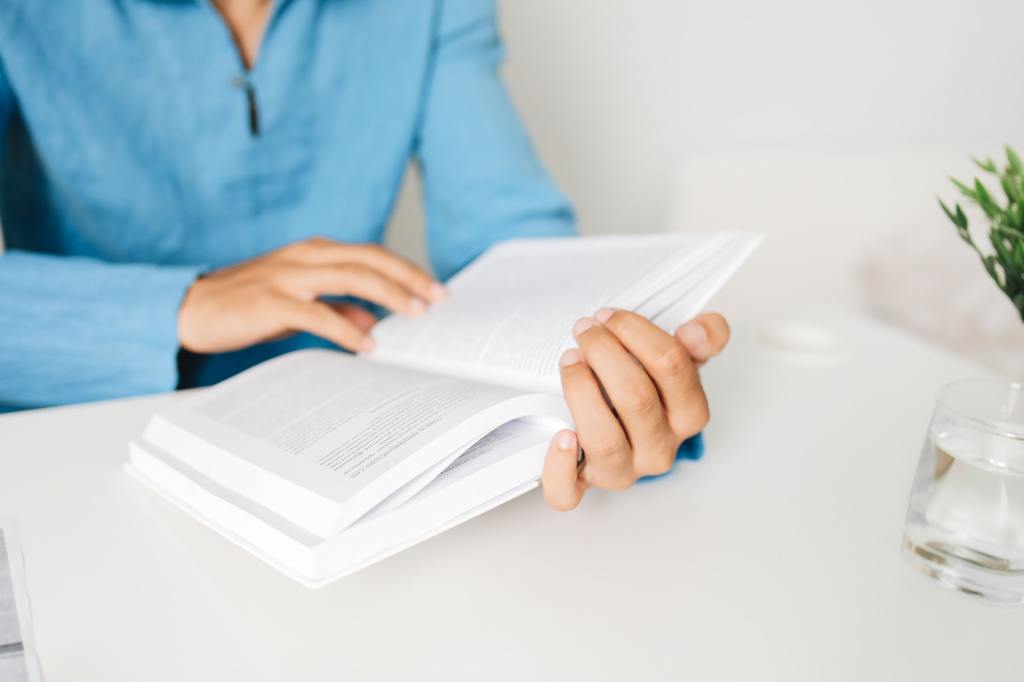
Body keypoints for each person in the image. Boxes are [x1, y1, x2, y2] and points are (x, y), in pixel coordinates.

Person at [0, 0, 729, 509]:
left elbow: (509, 234)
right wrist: (182, 304)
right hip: (80, 437)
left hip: (346, 440)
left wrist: (603, 384)